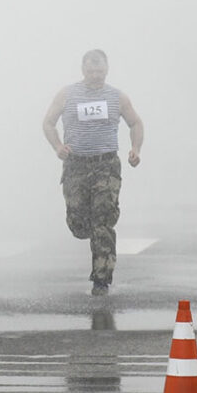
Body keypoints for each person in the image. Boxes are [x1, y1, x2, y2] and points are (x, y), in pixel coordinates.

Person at [42, 49, 143, 296]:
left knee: (103, 222)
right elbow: (48, 122)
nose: (95, 75)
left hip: (106, 166)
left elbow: (135, 123)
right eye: (90, 71)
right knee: (79, 224)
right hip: (76, 165)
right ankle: (89, 230)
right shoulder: (67, 94)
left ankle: (101, 280)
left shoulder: (117, 97)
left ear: (107, 70)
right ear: (82, 70)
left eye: (99, 71)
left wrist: (135, 149)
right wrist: (57, 146)